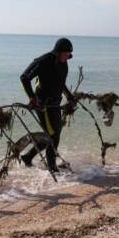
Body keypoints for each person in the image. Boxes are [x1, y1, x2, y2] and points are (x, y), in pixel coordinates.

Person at [19, 38, 74, 173]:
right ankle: (52, 168)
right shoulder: (44, 60)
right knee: (53, 136)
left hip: (55, 104)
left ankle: (27, 157)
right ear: (57, 52)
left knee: (51, 134)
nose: (66, 58)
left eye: (68, 55)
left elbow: (60, 83)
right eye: (64, 54)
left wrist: (69, 96)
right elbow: (24, 78)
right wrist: (32, 98)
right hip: (42, 104)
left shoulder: (63, 64)